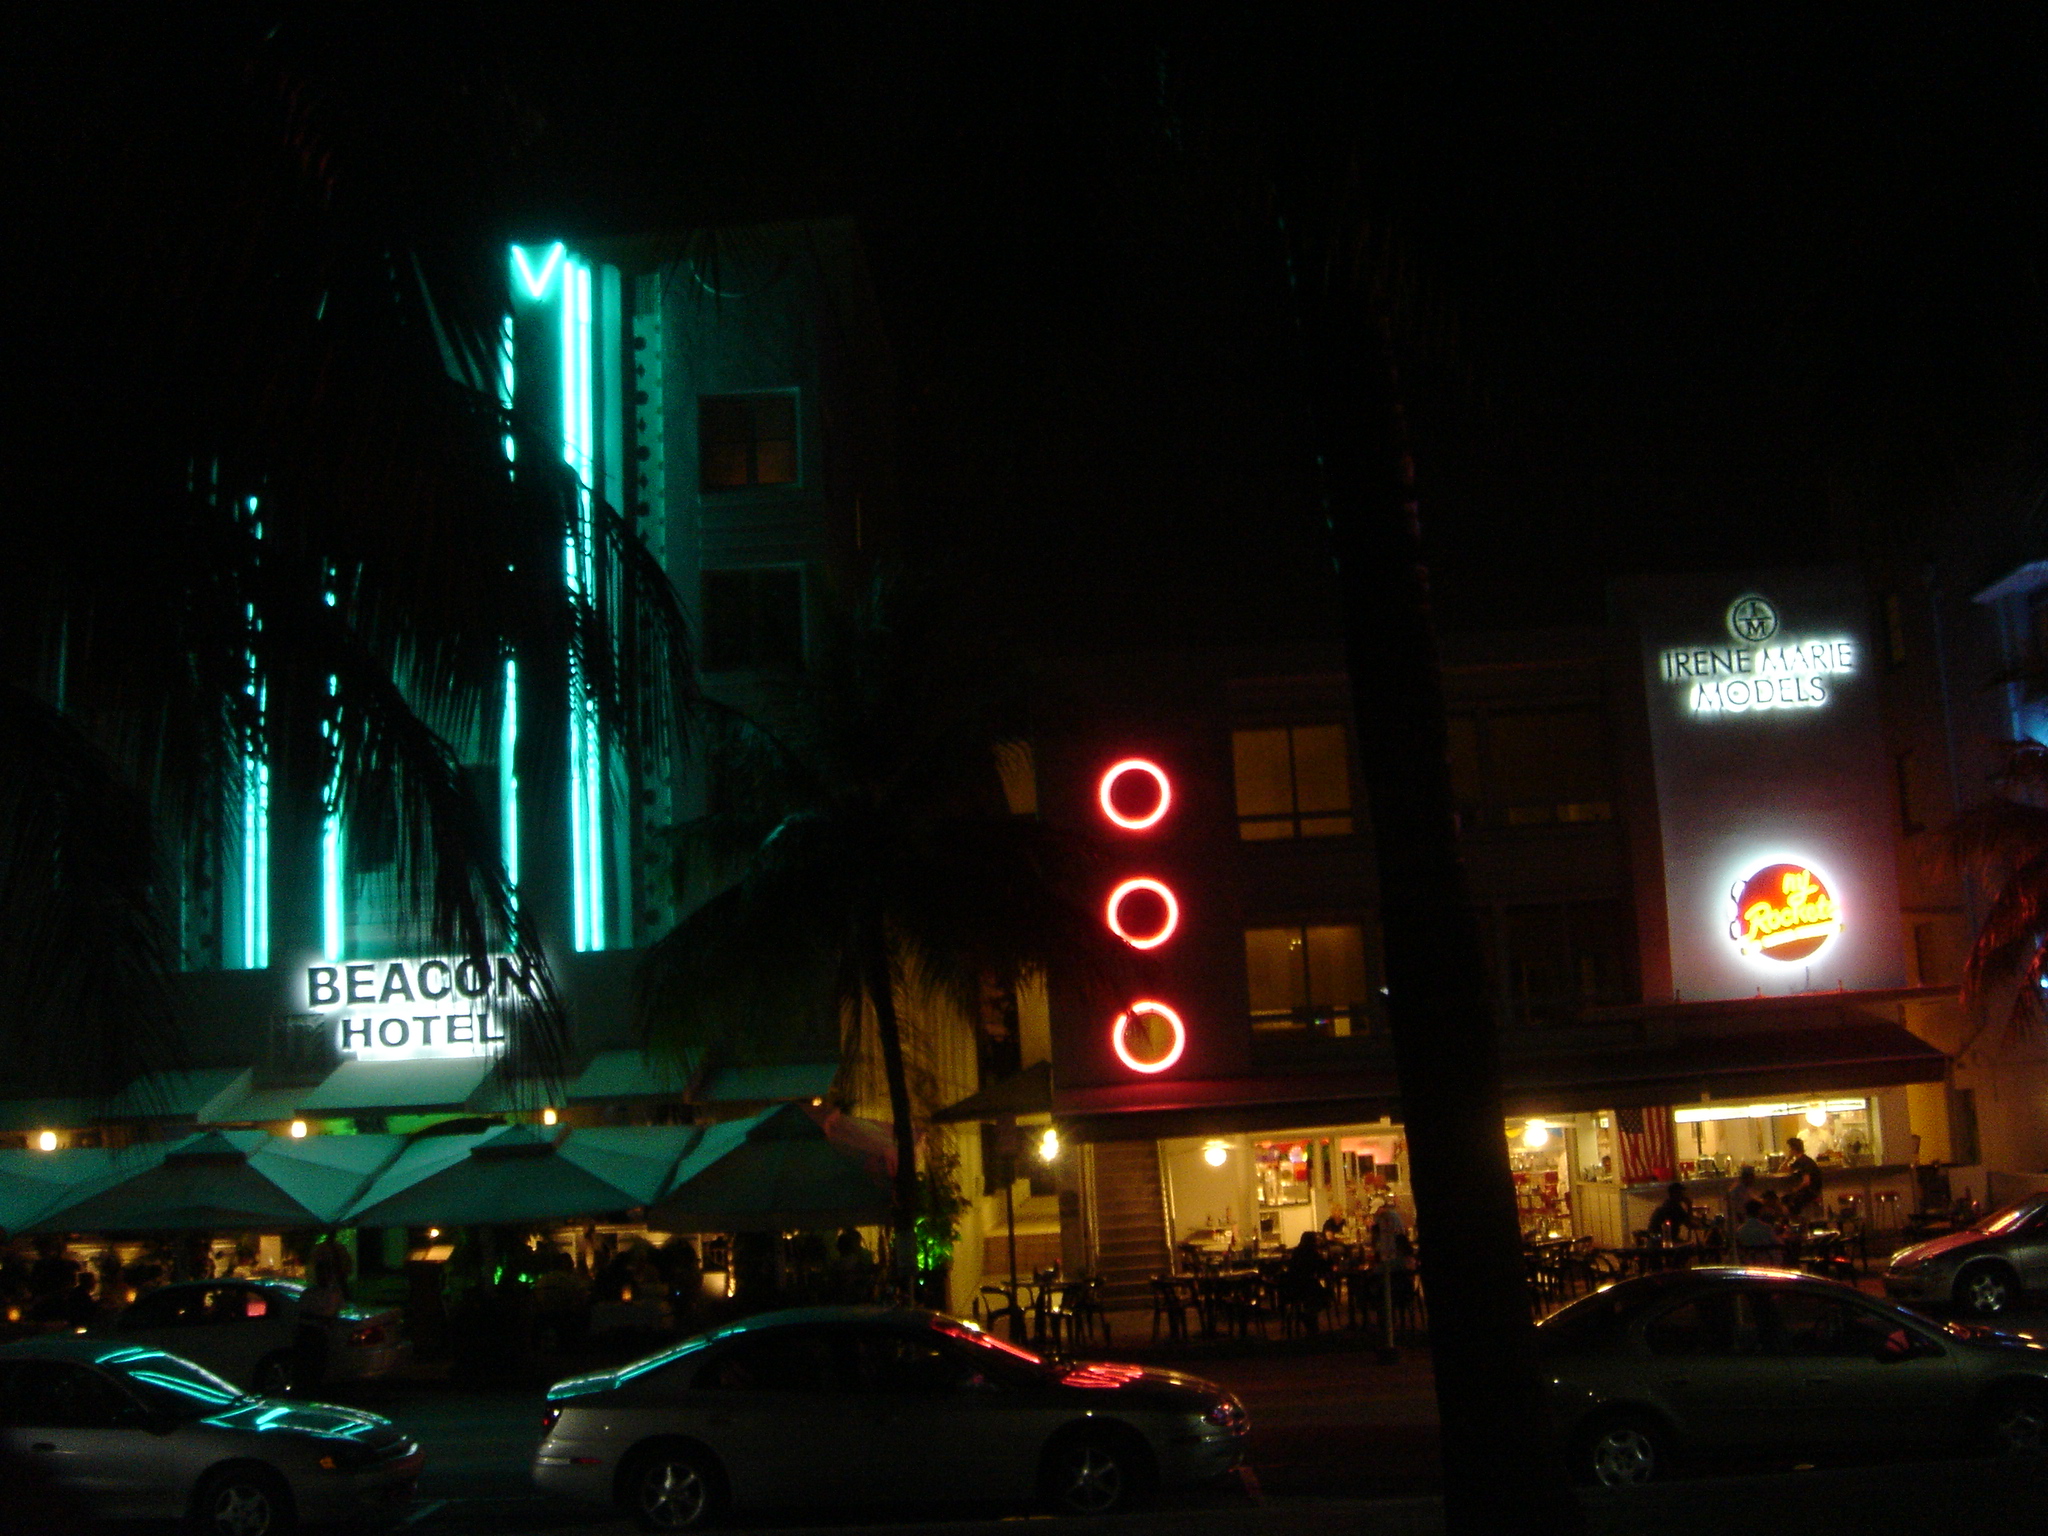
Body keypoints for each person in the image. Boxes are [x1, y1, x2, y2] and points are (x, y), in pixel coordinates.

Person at [1784, 1137, 1824, 1217]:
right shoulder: (1801, 1160)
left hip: (1812, 1191)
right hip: (1811, 1190)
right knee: (1787, 1198)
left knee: (1787, 1200)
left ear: (1793, 1149)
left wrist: (1796, 1189)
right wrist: (1788, 1159)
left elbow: (1806, 1182)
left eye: (1789, 1149)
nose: (1789, 1151)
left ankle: (1796, 1219)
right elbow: (1783, 1170)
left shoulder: (1804, 1162)